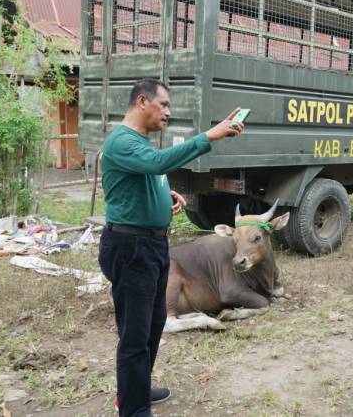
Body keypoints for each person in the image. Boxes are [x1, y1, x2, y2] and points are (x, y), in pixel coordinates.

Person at [98, 78, 244, 416]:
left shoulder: (141, 143)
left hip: (153, 245)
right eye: (163, 104)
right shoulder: (122, 141)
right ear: (143, 102)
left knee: (153, 322)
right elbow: (157, 164)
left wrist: (166, 196)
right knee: (135, 333)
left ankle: (139, 388)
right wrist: (208, 136)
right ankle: (132, 409)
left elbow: (150, 174)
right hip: (130, 247)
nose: (168, 111)